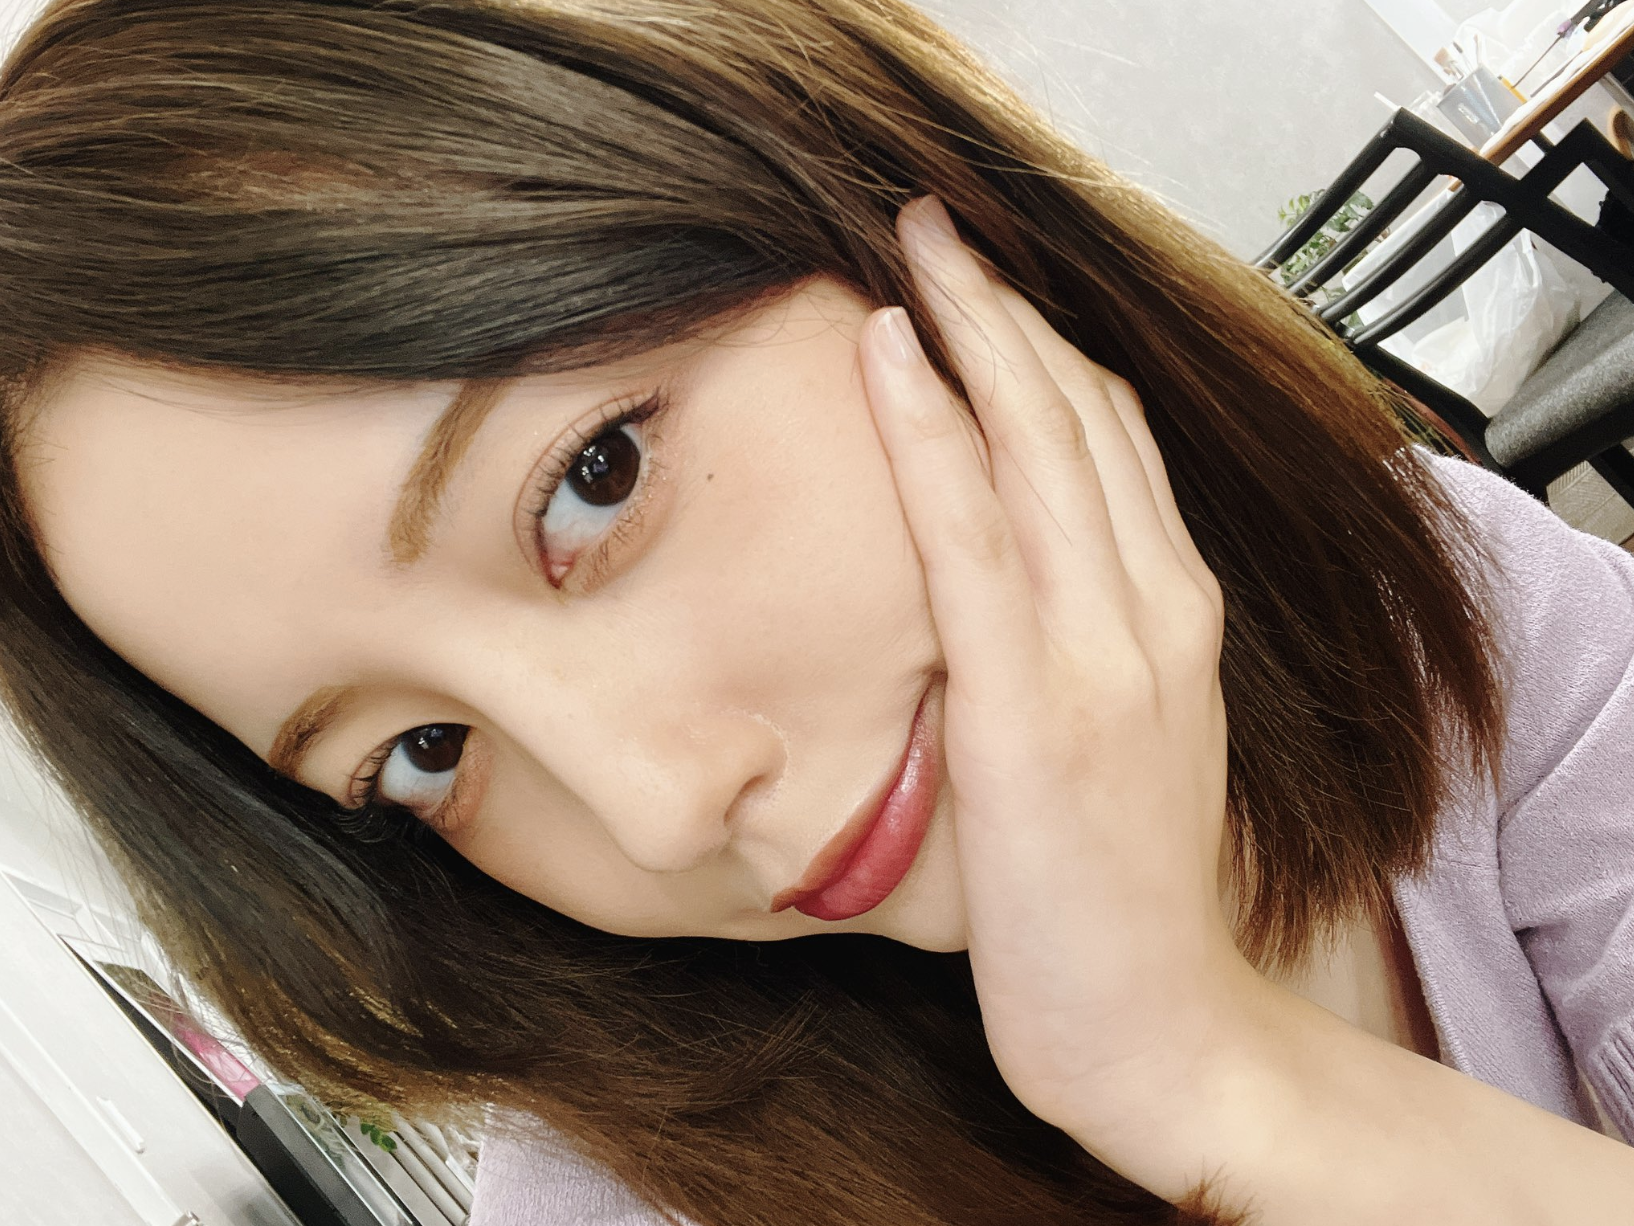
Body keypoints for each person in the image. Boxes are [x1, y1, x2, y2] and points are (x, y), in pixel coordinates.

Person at [1, 1, 1632, 1223]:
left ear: (861, 202)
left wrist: (1219, 1074)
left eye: (590, 479)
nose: (655, 807)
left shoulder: (1440, 612)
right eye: (420, 752)